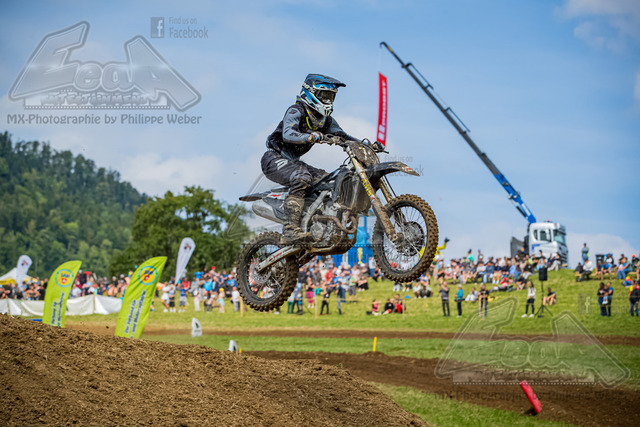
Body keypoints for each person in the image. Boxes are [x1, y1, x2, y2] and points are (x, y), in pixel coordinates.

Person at [261, 74, 359, 245]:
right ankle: (290, 229)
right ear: (310, 93)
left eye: (331, 97)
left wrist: (365, 144)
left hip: (294, 163)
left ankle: (317, 223)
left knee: (331, 181)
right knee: (302, 177)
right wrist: (309, 136)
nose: (328, 100)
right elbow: (288, 133)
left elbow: (343, 136)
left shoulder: (325, 120)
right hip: (273, 158)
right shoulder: (296, 110)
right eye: (324, 96)